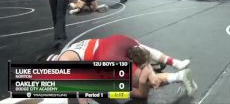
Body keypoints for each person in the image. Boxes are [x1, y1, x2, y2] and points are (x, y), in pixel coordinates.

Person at [45, 34, 197, 102]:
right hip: (117, 40)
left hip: (106, 57)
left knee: (139, 91)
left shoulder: (64, 60)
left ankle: (177, 76)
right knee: (146, 62)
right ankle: (175, 65)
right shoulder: (72, 49)